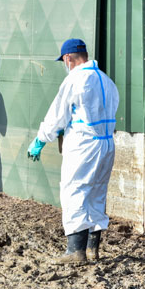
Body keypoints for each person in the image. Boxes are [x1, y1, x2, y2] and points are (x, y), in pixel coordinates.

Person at [26, 38, 119, 265]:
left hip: (83, 144)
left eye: (64, 61)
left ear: (68, 58)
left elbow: (58, 114)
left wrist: (40, 139)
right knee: (97, 193)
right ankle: (92, 250)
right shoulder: (107, 81)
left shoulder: (75, 80)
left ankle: (75, 251)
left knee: (74, 192)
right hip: (106, 144)